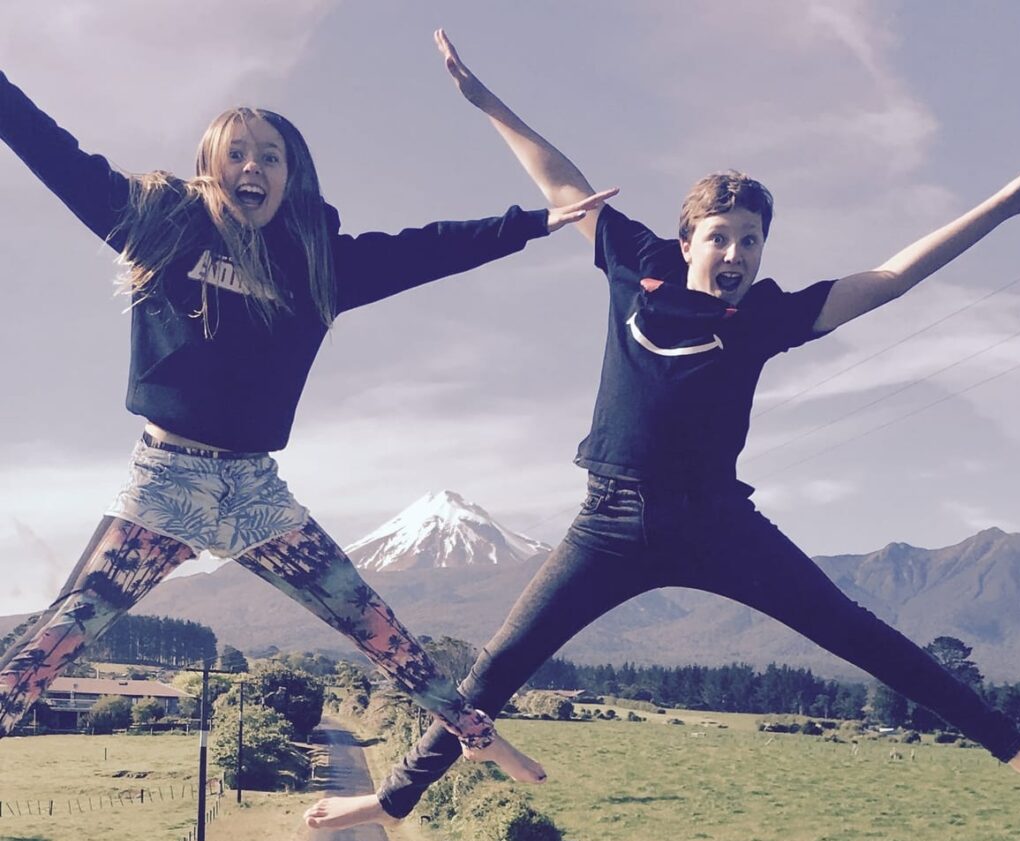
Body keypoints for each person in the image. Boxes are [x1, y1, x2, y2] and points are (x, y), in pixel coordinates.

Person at [301, 29, 1020, 830]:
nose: (737, 252)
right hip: (608, 522)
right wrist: (486, 104)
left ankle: (1012, 745)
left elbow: (890, 278)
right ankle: (395, 799)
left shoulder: (764, 317)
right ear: (688, 242)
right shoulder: (633, 262)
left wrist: (1005, 202)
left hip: (718, 524)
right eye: (721, 236)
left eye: (751, 240)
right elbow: (564, 181)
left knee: (855, 632)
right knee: (497, 665)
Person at [0, 64, 614, 782]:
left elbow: (426, 248)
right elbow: (54, 152)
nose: (251, 167)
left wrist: (532, 224)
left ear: (291, 177)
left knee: (379, 630)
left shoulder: (318, 267)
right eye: (236, 153)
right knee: (52, 648)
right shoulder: (158, 228)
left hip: (256, 493)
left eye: (269, 156)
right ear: (209, 167)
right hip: (165, 484)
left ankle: (478, 738)